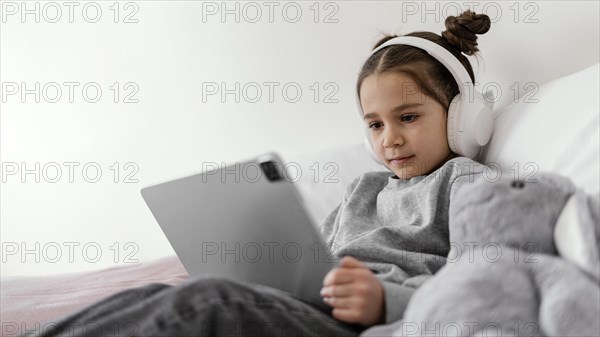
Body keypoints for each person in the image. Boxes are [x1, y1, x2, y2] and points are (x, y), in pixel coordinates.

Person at [36, 10, 491, 337]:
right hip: (310, 307)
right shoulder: (363, 188)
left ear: (461, 116)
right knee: (154, 293)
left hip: (360, 323)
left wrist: (386, 301)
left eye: (407, 117)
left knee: (208, 302)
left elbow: (482, 288)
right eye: (375, 124)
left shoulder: (466, 184)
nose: (388, 138)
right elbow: (317, 262)